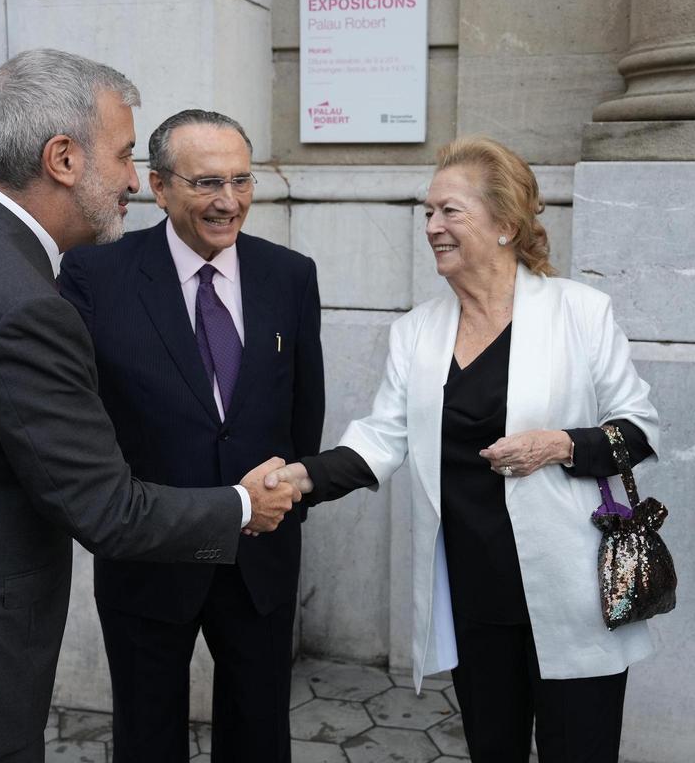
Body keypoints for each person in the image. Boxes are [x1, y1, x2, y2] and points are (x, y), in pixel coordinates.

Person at [0, 50, 300, 763]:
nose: (135, 180)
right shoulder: (25, 306)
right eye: (126, 155)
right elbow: (105, 510)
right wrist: (239, 505)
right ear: (64, 158)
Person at [268, 136, 660, 762]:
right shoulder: (417, 332)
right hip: (475, 592)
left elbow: (638, 430)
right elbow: (380, 439)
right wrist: (301, 479)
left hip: (570, 589)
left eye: (450, 211)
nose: (432, 227)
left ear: (505, 223)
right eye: (428, 212)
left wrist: (558, 444)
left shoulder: (580, 313)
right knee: (491, 749)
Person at [58, 109, 324, 763]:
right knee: (147, 736)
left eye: (241, 180)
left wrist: (289, 505)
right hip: (149, 557)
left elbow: (303, 412)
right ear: (159, 186)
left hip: (260, 556)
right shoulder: (96, 276)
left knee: (259, 733)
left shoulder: (290, 275)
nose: (228, 201)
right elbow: (80, 415)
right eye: (206, 183)